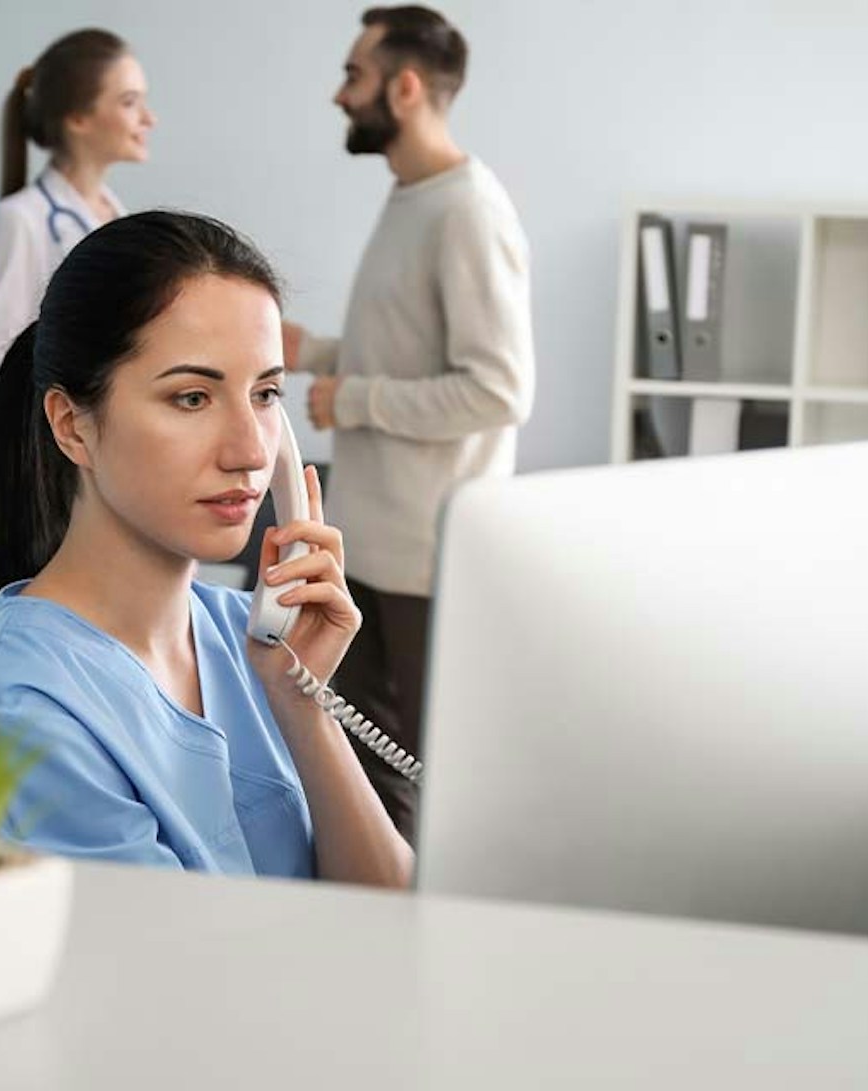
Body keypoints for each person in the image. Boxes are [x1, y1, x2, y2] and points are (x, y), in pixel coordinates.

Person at [0, 210, 414, 888]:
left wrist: (303, 703)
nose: (252, 449)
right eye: (193, 397)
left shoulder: (245, 638)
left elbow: (393, 911)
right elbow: (177, 984)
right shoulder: (26, 713)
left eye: (267, 393)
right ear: (73, 425)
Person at [282, 6, 536, 846]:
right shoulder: (414, 199)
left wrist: (350, 399)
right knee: (363, 770)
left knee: (426, 783)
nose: (336, 94)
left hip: (427, 563)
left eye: (353, 75)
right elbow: (410, 349)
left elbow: (498, 389)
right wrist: (315, 351)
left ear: (406, 86)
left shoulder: (468, 209)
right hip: (377, 551)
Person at [0, 28, 156, 406]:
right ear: (78, 118)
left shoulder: (119, 220)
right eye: (129, 102)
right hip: (55, 445)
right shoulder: (19, 220)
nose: (148, 119)